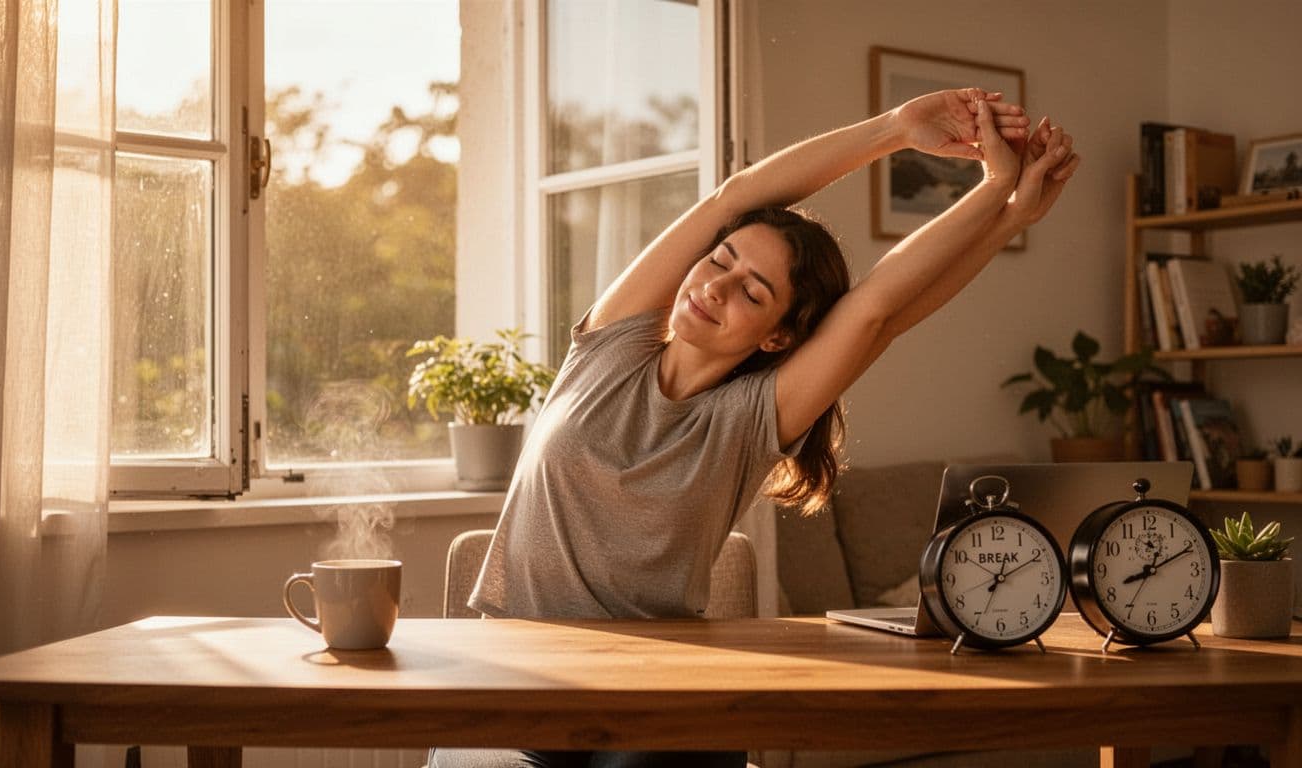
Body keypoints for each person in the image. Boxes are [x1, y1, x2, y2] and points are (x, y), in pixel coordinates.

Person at [429, 88, 1079, 768]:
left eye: (753, 293)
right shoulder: (609, 346)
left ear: (777, 338)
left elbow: (876, 313)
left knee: (694, 741)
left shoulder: (745, 422)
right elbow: (729, 201)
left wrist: (999, 196)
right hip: (521, 673)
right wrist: (893, 129)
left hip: (653, 688)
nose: (716, 286)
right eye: (720, 263)